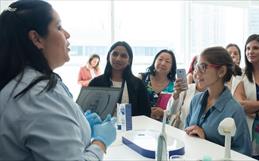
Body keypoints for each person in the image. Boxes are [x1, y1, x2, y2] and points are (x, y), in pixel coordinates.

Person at [0, 0, 116, 160]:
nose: (67, 34)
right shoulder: (38, 95)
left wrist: (78, 125)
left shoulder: (29, 83)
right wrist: (100, 143)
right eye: (59, 27)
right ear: (37, 39)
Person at [185, 46, 251, 156]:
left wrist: (205, 141)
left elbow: (244, 155)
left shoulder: (235, 111)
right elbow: (186, 133)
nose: (196, 73)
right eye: (197, 67)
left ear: (221, 71)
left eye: (203, 67)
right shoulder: (196, 100)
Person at [89, 41, 151, 117]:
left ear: (129, 61)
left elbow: (145, 113)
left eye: (123, 56)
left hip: (131, 128)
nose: (118, 59)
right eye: (115, 54)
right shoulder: (96, 83)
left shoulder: (138, 84)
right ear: (108, 57)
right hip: (101, 127)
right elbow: (87, 111)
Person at [234, 34, 259, 161]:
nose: (250, 52)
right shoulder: (241, 77)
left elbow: (249, 107)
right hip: (250, 131)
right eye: (247, 48)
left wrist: (258, 113)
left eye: (255, 48)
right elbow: (241, 106)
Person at [138, 49, 177, 121]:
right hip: (141, 123)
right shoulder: (141, 78)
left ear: (172, 67)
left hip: (163, 126)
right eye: (160, 59)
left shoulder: (175, 86)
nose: (163, 63)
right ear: (154, 61)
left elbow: (176, 111)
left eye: (167, 61)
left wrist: (164, 113)